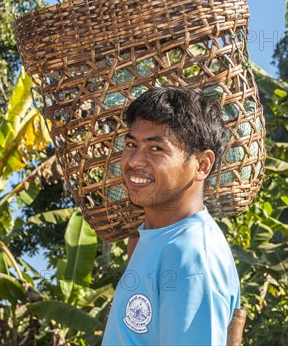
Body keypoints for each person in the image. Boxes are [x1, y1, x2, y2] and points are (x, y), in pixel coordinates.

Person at [102, 86, 240, 345]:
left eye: (156, 149)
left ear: (202, 165)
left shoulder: (192, 258)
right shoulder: (153, 239)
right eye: (131, 144)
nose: (134, 161)